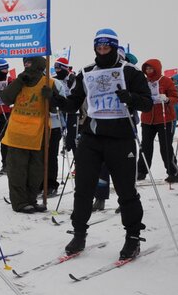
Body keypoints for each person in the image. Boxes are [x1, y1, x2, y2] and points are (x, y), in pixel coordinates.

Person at [52, 28, 152, 260]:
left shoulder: (130, 72)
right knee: (83, 188)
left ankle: (133, 237)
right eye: (99, 45)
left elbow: (147, 103)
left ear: (115, 47)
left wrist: (131, 98)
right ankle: (79, 233)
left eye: (107, 45)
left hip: (121, 138)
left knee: (126, 190)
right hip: (92, 137)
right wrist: (57, 101)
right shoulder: (87, 72)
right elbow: (74, 103)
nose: (103, 49)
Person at [0, 56, 54, 212]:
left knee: (35, 172)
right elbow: (6, 98)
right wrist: (18, 81)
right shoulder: (19, 81)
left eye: (30, 65)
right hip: (17, 134)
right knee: (17, 170)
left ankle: (31, 199)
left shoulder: (49, 82)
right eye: (26, 65)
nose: (27, 68)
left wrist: (52, 97)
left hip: (38, 134)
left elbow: (55, 107)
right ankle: (19, 202)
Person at [136, 58, 178, 183]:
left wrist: (167, 99)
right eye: (146, 69)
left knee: (165, 147)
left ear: (157, 68)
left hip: (165, 119)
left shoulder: (165, 81)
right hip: (147, 119)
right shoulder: (143, 82)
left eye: (151, 68)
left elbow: (175, 98)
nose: (148, 71)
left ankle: (173, 172)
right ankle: (141, 171)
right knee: (145, 147)